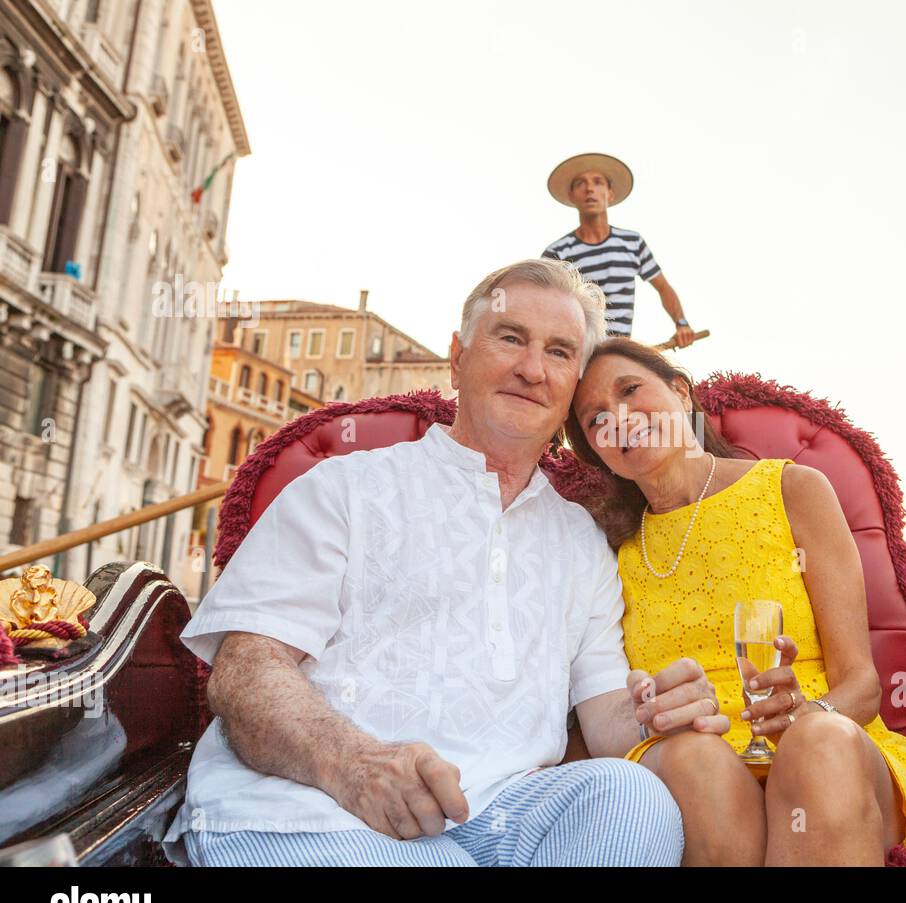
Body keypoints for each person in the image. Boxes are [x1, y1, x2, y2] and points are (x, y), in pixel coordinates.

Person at [163, 259, 727, 867]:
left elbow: (606, 716)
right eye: (510, 338)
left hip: (507, 814)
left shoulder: (579, 541)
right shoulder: (343, 489)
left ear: (570, 391)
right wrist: (353, 763)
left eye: (560, 352)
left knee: (631, 796)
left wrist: (650, 712)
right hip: (310, 811)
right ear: (458, 357)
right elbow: (246, 673)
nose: (532, 368)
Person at [566, 337, 906, 866]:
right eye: (595, 419)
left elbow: (861, 686)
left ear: (681, 393)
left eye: (630, 390)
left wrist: (809, 713)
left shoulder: (793, 489)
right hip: (699, 770)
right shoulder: (608, 549)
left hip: (829, 748)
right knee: (695, 759)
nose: (619, 418)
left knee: (817, 743)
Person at [542, 152, 695, 346]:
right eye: (580, 183)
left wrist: (681, 324)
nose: (589, 189)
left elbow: (663, 288)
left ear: (610, 193)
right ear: (572, 196)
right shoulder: (557, 253)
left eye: (597, 182)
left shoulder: (632, 243)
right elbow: (544, 307)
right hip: (577, 352)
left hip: (620, 350)